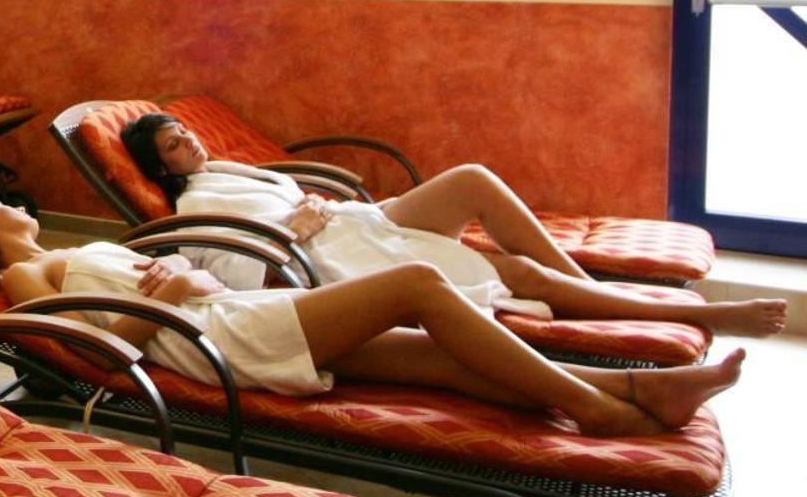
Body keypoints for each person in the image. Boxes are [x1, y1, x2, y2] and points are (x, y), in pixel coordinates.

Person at [0, 199, 747, 438]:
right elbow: (96, 354)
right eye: (2, 203)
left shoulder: (71, 250)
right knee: (419, 284)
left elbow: (157, 289)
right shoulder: (23, 272)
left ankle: (635, 391)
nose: (15, 202)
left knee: (444, 358)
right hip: (216, 341)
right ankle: (598, 408)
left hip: (227, 316)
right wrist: (168, 295)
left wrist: (180, 279)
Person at [121, 113, 787, 337]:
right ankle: (689, 314)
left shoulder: (229, 169)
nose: (191, 143)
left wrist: (317, 205)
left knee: (472, 179)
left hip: (356, 221)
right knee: (517, 273)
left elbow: (298, 195)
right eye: (175, 146)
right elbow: (247, 276)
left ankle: (588, 288)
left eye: (186, 132)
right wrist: (300, 225)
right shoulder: (194, 209)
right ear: (161, 167)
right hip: (334, 255)